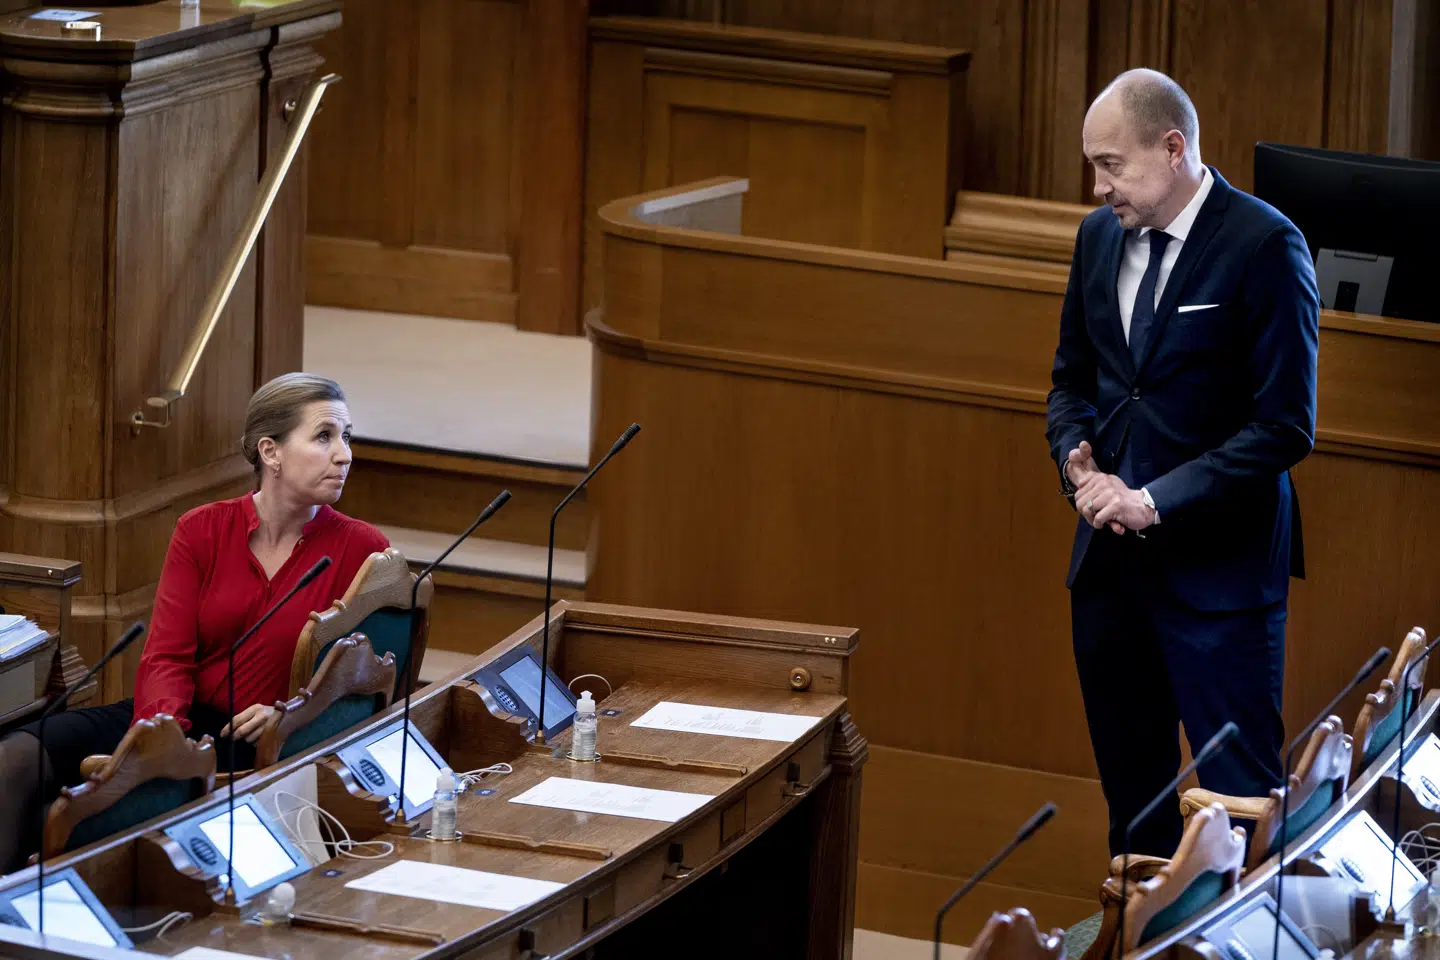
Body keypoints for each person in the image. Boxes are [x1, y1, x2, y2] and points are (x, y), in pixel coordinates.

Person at [1046, 69, 1319, 857]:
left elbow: (1285, 427)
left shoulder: (1265, 244)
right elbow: (1073, 379)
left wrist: (1153, 500)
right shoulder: (1097, 238)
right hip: (1110, 578)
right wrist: (1077, 464)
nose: (1098, 186)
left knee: (1239, 811)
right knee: (1134, 809)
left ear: (1173, 149)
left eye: (1110, 165)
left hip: (1220, 585)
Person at [0, 373, 389, 873]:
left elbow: (361, 680)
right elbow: (166, 653)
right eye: (324, 437)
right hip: (170, 716)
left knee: (80, 812)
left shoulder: (363, 549)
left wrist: (289, 713)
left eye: (346, 437)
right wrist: (161, 742)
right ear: (270, 452)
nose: (345, 454)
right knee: (15, 759)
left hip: (260, 740)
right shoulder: (203, 529)